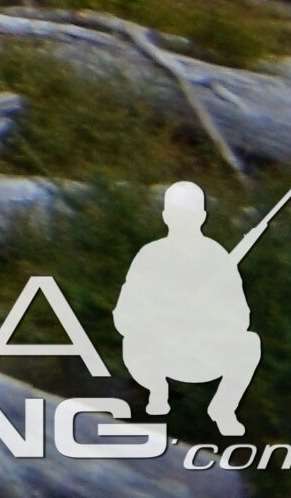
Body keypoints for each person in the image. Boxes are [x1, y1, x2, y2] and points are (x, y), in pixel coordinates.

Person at [115, 178, 264, 435]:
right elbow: (124, 314)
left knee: (249, 343)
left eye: (190, 214)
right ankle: (157, 392)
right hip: (158, 351)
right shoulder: (150, 256)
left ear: (202, 216)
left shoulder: (217, 257)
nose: (183, 220)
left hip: (201, 350)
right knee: (135, 342)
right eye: (177, 214)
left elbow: (241, 317)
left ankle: (223, 409)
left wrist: (206, 314)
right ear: (166, 216)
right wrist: (160, 317)